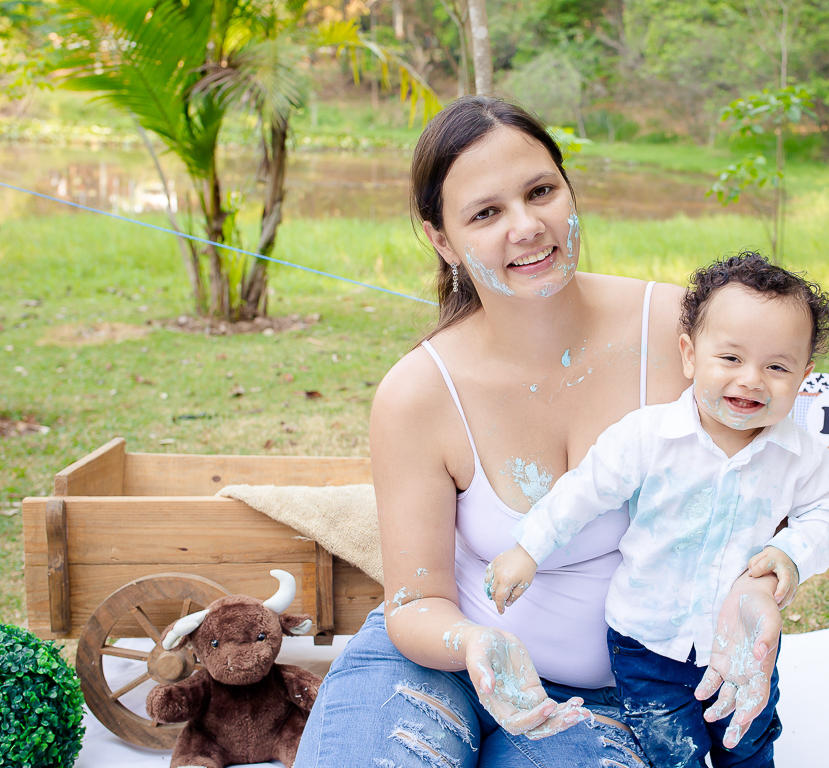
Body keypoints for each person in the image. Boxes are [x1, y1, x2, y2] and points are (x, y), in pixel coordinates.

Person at [294, 96, 796, 768]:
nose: (527, 226)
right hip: (433, 664)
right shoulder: (417, 394)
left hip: (608, 701)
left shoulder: (684, 335)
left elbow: (768, 493)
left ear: (569, 190)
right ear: (441, 239)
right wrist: (477, 646)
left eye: (541, 191)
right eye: (485, 213)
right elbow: (418, 603)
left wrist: (756, 588)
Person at [486, 253, 829, 768]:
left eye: (777, 367)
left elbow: (827, 513)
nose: (751, 380)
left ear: (804, 375)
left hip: (744, 638)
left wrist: (788, 554)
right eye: (730, 359)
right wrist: (528, 547)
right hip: (648, 640)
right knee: (670, 753)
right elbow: (583, 490)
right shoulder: (649, 437)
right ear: (690, 355)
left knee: (747, 742)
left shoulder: (800, 456)